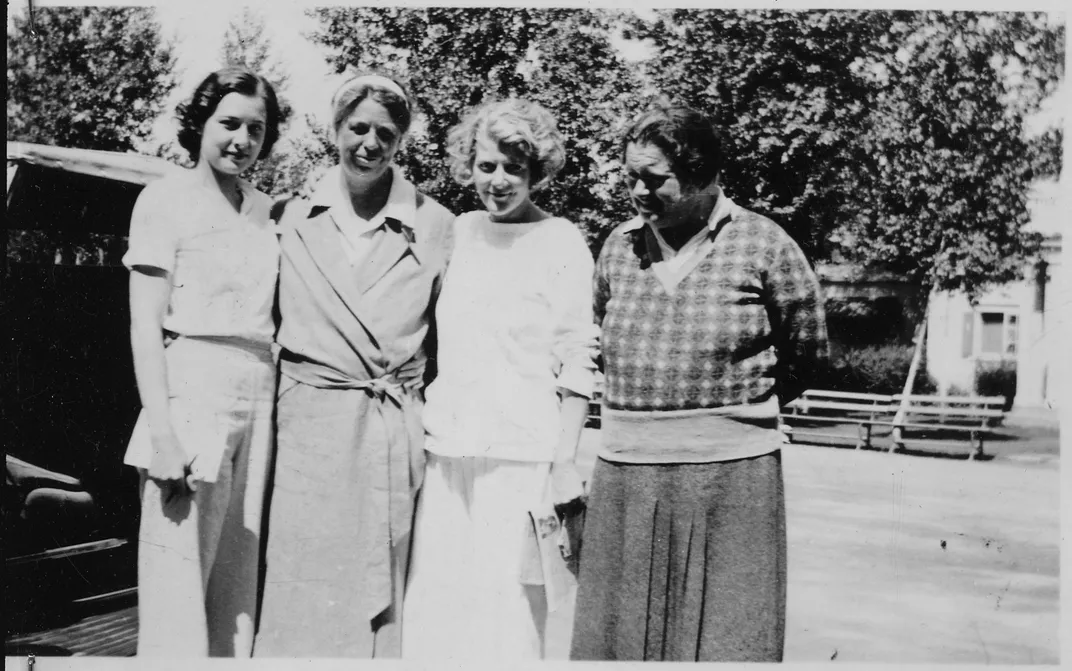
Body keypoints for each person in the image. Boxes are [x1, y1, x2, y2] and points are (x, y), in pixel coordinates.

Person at [570, 101, 829, 662]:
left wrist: (727, 415)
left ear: (702, 173)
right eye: (629, 177)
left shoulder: (764, 244)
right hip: (626, 475)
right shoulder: (619, 246)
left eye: (653, 179)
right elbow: (597, 336)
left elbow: (807, 355)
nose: (637, 191)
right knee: (621, 639)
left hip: (732, 480)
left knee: (727, 638)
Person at [254, 74, 454, 658]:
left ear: (403, 140)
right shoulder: (290, 213)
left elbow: (453, 328)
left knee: (378, 576)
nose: (369, 143)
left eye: (384, 133)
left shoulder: (436, 223)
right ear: (336, 130)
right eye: (357, 128)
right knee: (301, 569)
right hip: (309, 425)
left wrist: (424, 367)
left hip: (388, 425)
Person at [402, 98, 598, 660]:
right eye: (487, 166)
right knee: (434, 607)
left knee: (508, 616)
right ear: (469, 165)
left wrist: (563, 462)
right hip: (446, 450)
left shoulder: (561, 240)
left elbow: (579, 357)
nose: (499, 180)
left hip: (522, 455)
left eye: (514, 167)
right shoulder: (457, 233)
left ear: (536, 171)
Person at [123, 67, 282, 657]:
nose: (241, 139)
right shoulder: (164, 199)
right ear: (200, 124)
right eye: (229, 123)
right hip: (192, 392)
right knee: (177, 579)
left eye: (256, 129)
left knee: (237, 585)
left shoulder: (269, 211)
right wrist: (162, 434)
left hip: (258, 396)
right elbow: (144, 324)